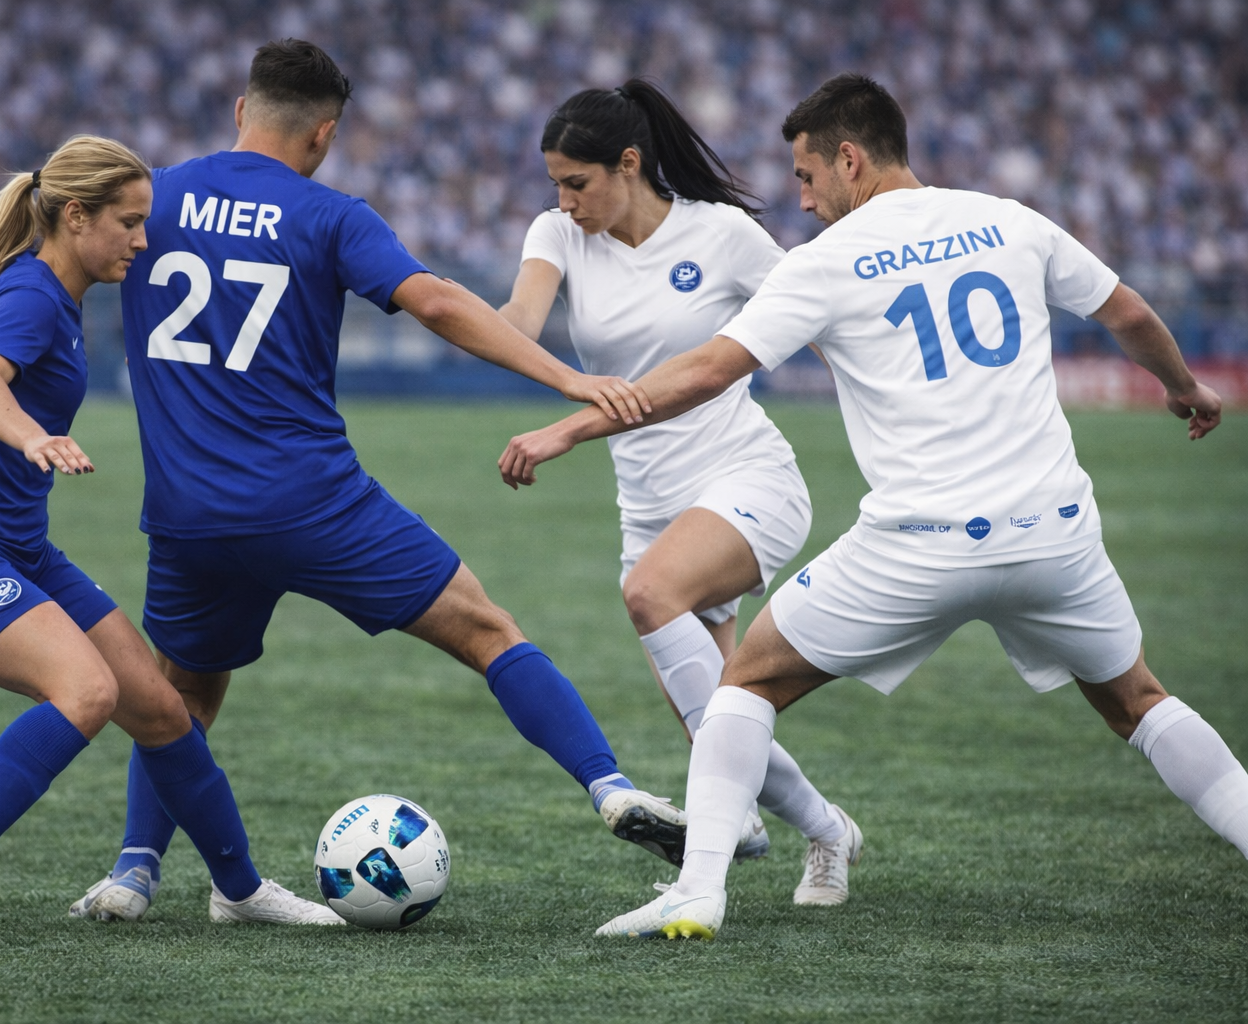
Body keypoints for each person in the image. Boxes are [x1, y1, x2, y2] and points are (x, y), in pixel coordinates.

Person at [497, 73, 1244, 940]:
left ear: (849, 159)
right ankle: (812, 835)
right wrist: (1185, 388)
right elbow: (1130, 312)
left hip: (915, 543)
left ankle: (700, 890)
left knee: (745, 684)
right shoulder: (1011, 219)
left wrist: (566, 431)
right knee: (1139, 701)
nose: (804, 203)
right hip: (1054, 536)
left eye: (809, 179)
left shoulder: (824, 263)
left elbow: (705, 371)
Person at [68, 39, 681, 924]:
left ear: (241, 111)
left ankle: (133, 875)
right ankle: (610, 787)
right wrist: (570, 378)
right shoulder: (329, 213)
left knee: (181, 699)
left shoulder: (146, 196)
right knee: (487, 631)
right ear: (323, 134)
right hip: (313, 500)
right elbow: (433, 300)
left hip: (189, 512)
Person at [0, 134, 345, 944]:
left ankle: (238, 888)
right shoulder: (30, 297)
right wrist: (29, 437)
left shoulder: (37, 290)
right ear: (75, 216)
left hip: (19, 546)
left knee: (162, 711)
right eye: (130, 223)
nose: (142, 239)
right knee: (89, 695)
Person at [494, 79, 860, 906]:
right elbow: (519, 317)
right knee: (730, 716)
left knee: (650, 593)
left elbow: (822, 320)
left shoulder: (724, 235)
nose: (563, 199)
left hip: (746, 479)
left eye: (577, 181)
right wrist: (440, 309)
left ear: (629, 164)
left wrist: (891, 414)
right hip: (650, 508)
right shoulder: (558, 232)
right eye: (554, 182)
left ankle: (728, 841)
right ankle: (828, 832)